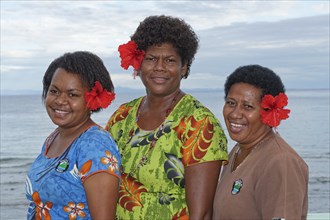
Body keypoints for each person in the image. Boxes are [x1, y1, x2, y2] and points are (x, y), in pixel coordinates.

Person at [105, 15, 228, 219]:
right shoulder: (122, 116)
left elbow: (202, 214)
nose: (159, 67)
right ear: (139, 64)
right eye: (151, 59)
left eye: (170, 60)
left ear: (184, 67)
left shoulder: (198, 123)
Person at [25, 51, 121, 220]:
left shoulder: (95, 145)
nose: (60, 100)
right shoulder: (55, 137)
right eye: (54, 91)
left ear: (92, 100)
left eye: (72, 94)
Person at [213, 64, 309, 220]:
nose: (235, 114)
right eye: (231, 103)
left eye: (248, 106)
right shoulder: (239, 150)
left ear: (269, 111)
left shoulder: (281, 162)